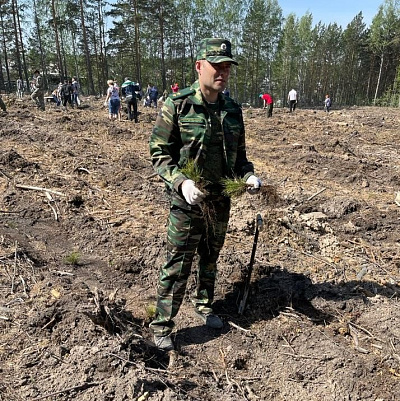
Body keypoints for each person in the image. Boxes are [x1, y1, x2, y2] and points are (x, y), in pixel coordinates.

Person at [149, 37, 262, 352]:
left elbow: (239, 158)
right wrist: (181, 182)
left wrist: (248, 175)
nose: (222, 72)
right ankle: (162, 326)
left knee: (210, 257)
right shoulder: (178, 104)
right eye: (216, 66)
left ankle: (204, 304)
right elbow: (159, 152)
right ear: (199, 67)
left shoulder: (232, 110)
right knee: (178, 262)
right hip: (187, 203)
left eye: (227, 67)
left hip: (220, 202)